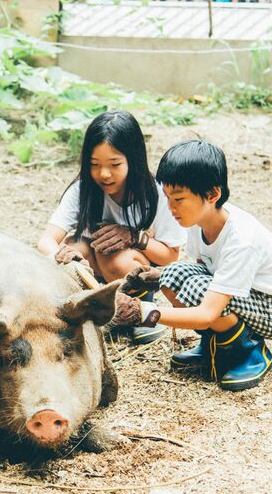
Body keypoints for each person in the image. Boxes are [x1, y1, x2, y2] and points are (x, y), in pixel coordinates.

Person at [122, 140, 272, 391]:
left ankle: (249, 352)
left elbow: (207, 311)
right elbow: (198, 273)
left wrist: (141, 313)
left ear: (212, 195)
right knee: (173, 275)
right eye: (167, 198)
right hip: (248, 296)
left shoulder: (241, 239)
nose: (171, 207)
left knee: (199, 291)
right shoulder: (197, 222)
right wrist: (155, 277)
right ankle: (214, 343)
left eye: (178, 198)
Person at [36, 110, 186, 344]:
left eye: (115, 164)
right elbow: (46, 241)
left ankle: (139, 307)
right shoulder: (83, 189)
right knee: (75, 245)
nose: (104, 174)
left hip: (134, 272)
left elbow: (170, 257)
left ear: (133, 160)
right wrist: (64, 256)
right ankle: (93, 307)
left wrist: (135, 237)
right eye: (95, 164)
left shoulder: (156, 193)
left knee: (113, 256)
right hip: (92, 273)